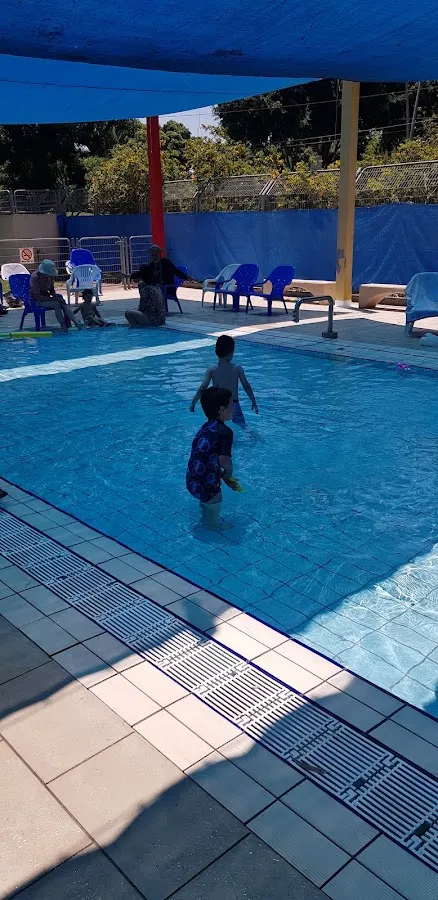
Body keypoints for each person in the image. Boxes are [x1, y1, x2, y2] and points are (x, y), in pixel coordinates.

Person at [186, 387, 236, 530]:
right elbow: (224, 460)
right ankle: (213, 527)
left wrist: (220, 475)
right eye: (231, 405)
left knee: (206, 503)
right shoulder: (225, 432)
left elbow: (206, 457)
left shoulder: (205, 427)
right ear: (222, 409)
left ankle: (205, 519)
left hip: (192, 479)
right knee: (215, 502)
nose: (233, 408)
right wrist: (228, 474)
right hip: (207, 484)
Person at [189, 334, 258, 426]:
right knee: (242, 426)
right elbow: (246, 385)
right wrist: (253, 400)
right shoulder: (237, 368)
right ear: (231, 353)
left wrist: (193, 403)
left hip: (217, 406)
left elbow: (202, 388)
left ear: (216, 352)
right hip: (232, 404)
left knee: (215, 426)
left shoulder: (211, 369)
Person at [30, 260, 82, 331]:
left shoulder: (50, 277)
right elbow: (37, 296)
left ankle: (76, 322)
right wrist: (54, 299)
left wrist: (55, 296)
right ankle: (63, 325)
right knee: (56, 304)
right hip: (36, 300)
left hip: (46, 297)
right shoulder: (35, 277)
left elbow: (51, 290)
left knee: (62, 301)